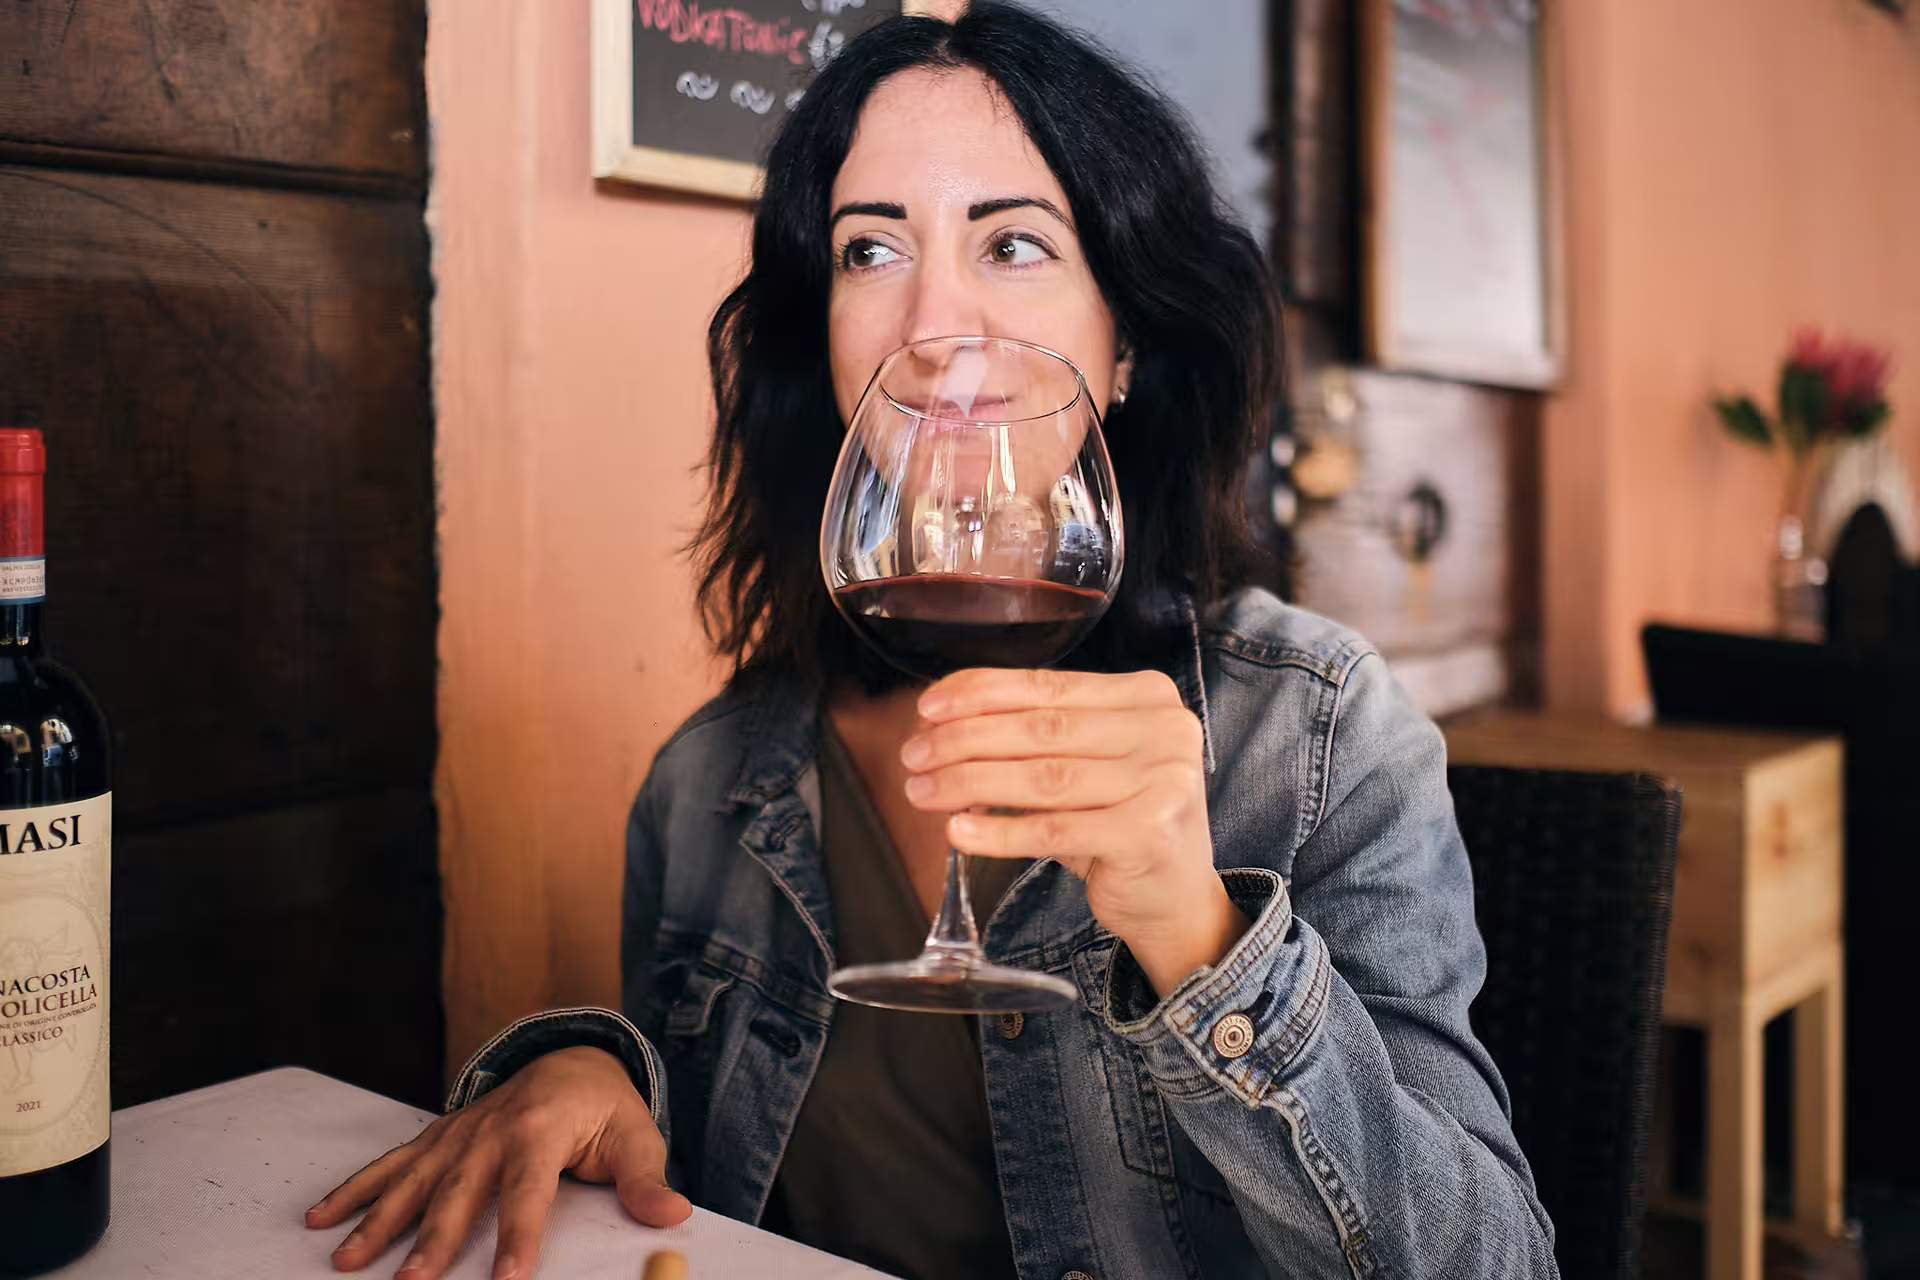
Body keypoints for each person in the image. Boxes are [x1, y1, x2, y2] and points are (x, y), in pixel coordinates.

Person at [307, 5, 1559, 1278]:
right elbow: (704, 1204)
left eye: (1013, 242)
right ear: (828, 337)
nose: (934, 328)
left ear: (1123, 339)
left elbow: (1494, 1261)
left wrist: (1199, 938)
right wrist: (594, 1067)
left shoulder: (1319, 734)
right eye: (869, 250)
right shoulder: (710, 782)